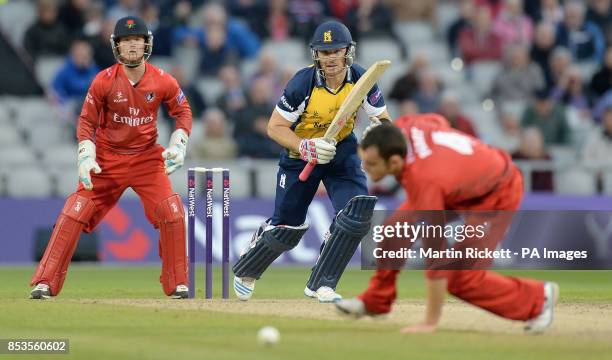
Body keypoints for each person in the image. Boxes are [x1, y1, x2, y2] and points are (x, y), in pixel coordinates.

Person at [335, 115, 559, 334]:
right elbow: (438, 122)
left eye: (371, 163)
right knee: (395, 231)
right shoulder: (405, 126)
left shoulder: (426, 180)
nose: (364, 167)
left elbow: (435, 256)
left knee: (462, 279)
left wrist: (429, 322)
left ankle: (539, 299)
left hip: (497, 192)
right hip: (461, 185)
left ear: (394, 162)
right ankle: (376, 302)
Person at [29, 16, 193, 300]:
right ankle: (45, 282)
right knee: (75, 208)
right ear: (117, 46)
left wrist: (179, 144)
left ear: (146, 45)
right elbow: (86, 122)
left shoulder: (163, 79)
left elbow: (183, 111)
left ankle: (177, 283)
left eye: (136, 40)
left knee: (172, 211)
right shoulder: (103, 81)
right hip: (107, 159)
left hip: (146, 159)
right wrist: (85, 155)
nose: (131, 46)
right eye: (125, 41)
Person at [232, 20, 390, 302]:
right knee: (287, 229)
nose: (330, 58)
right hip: (298, 156)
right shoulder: (302, 83)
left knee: (356, 213)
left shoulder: (361, 79)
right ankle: (248, 267)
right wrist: (305, 147)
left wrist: (379, 131)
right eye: (324, 52)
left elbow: (384, 120)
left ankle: (322, 283)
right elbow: (275, 128)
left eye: (336, 51)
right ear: (315, 54)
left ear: (347, 51)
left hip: (341, 151)